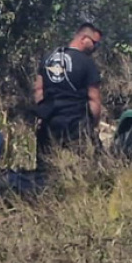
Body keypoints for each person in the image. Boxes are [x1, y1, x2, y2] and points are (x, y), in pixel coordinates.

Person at [34, 22, 103, 169]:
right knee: (98, 164)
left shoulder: (48, 58)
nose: (96, 48)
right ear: (84, 38)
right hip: (76, 124)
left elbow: (38, 90)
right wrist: (94, 124)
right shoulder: (87, 63)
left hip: (49, 122)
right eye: (95, 43)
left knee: (44, 167)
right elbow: (94, 99)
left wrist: (42, 114)